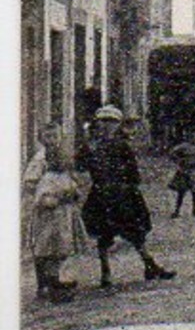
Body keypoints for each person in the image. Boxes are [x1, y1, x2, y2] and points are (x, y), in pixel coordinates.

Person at [77, 105, 174, 288]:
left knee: (135, 232)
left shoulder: (121, 146)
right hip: (102, 194)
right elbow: (80, 166)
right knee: (103, 234)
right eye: (104, 122)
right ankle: (105, 273)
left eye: (111, 122)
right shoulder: (91, 146)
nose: (107, 126)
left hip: (123, 194)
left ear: (117, 125)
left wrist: (130, 188)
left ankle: (149, 265)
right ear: (97, 124)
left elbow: (133, 171)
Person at [25, 129, 83, 303]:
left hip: (64, 217)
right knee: (44, 249)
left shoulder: (63, 173)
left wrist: (73, 194)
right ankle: (45, 286)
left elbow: (75, 186)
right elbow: (31, 185)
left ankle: (60, 285)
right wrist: (51, 198)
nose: (52, 140)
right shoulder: (39, 162)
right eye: (47, 136)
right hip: (47, 216)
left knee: (62, 250)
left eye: (55, 136)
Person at [167, 127, 195, 218]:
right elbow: (172, 154)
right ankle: (177, 210)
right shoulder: (183, 147)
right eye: (194, 137)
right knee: (181, 191)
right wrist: (179, 161)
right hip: (184, 170)